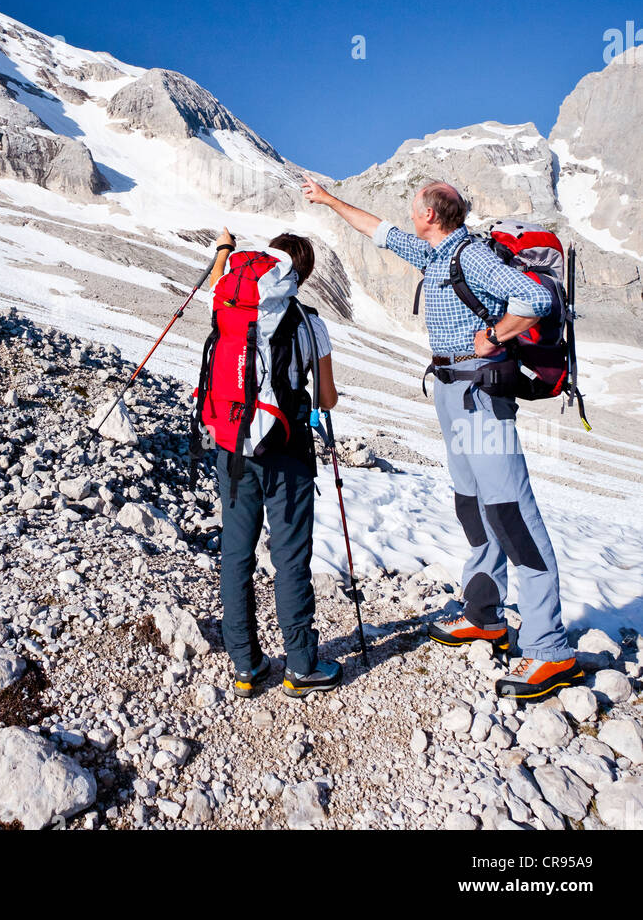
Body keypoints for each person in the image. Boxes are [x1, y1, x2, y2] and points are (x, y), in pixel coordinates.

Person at [301, 177, 583, 703]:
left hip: (479, 393)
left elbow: (536, 297)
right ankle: (486, 617)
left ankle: (550, 647)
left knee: (511, 513)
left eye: (413, 206)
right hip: (451, 392)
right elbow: (376, 230)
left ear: (431, 213)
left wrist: (497, 335)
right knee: (473, 507)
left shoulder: (469, 256)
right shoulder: (434, 253)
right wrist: (328, 200)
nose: (407, 213)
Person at [206, 226, 343, 699]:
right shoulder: (310, 323)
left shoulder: (228, 306)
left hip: (231, 446)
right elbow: (326, 398)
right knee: (290, 560)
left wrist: (224, 250)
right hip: (286, 452)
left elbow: (216, 284)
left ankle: (246, 664)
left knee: (236, 557)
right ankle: (301, 665)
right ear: (297, 276)